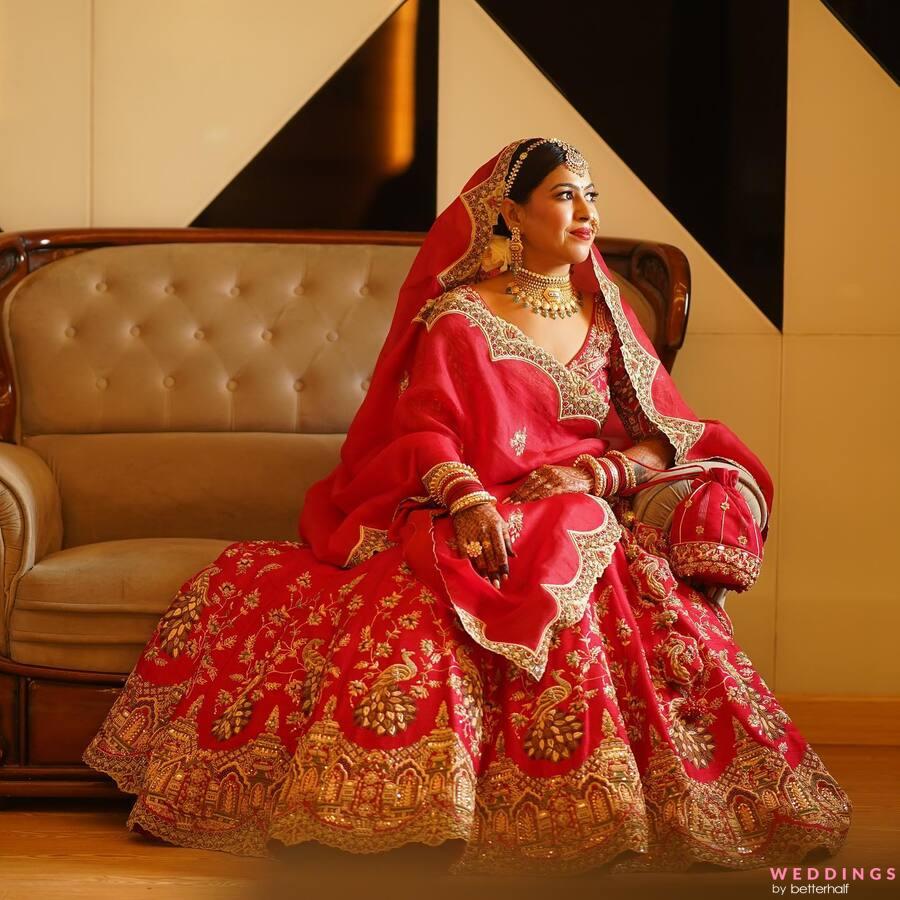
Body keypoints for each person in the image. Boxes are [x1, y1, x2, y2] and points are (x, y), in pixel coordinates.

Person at [82, 138, 851, 875]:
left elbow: (669, 436)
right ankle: (442, 808)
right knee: (506, 561)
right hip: (470, 507)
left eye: (591, 197)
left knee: (604, 552)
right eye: (563, 197)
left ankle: (630, 805)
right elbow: (427, 432)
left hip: (584, 506)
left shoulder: (611, 318)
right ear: (510, 215)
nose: (586, 213)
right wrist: (472, 501)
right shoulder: (460, 316)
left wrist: (601, 477)